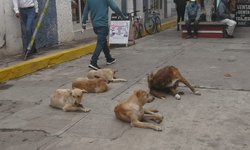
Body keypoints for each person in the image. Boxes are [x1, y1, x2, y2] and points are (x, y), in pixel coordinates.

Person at [82, 0, 125, 70]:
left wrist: (83, 23)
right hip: (103, 24)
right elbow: (115, 7)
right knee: (100, 42)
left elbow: (85, 12)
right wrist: (122, 16)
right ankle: (93, 61)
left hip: (95, 25)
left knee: (103, 41)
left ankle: (109, 58)